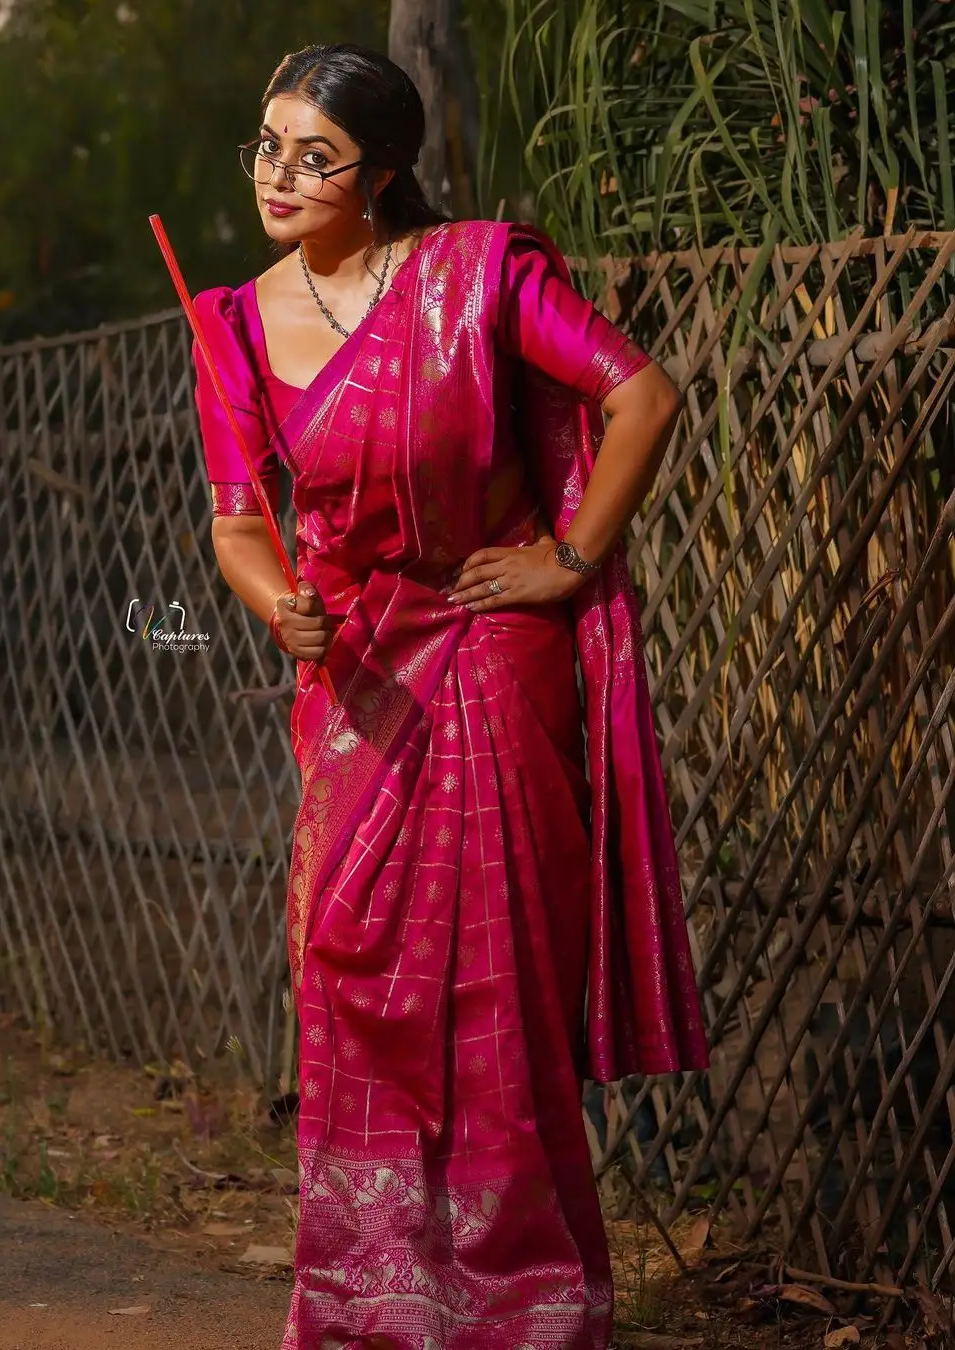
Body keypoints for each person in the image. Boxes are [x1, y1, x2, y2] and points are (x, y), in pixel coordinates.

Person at [191, 42, 708, 1350]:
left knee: (493, 1004)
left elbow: (642, 395)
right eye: (266, 145)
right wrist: (277, 601)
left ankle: (520, 1308)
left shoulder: (477, 277)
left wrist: (570, 555)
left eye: (314, 154)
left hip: (486, 666)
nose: (280, 173)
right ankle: (376, 1302)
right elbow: (238, 520)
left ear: (387, 170)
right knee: (355, 988)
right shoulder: (237, 324)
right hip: (356, 688)